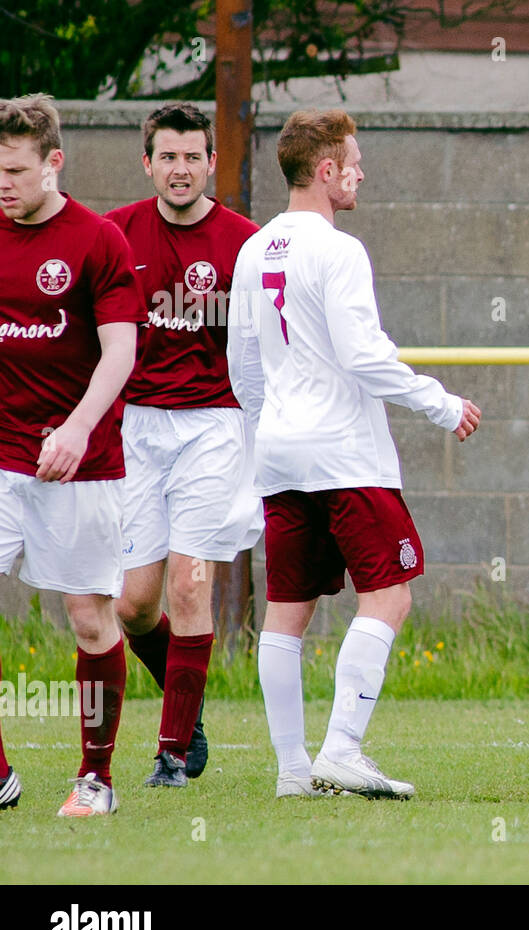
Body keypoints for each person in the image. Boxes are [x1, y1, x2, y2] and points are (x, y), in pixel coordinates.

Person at [228, 109, 481, 798]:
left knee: (286, 610)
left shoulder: (252, 249)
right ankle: (340, 749)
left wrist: (266, 435)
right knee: (390, 597)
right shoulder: (339, 250)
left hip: (280, 455)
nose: (362, 172)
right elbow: (366, 358)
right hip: (343, 456)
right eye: (353, 161)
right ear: (326, 169)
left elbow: (242, 364)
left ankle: (290, 774)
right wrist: (442, 404)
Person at [106, 103, 262, 788]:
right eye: (167, 156)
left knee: (193, 580)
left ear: (211, 163)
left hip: (214, 425)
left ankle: (171, 755)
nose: (180, 168)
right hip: (137, 427)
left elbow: (266, 345)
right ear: (148, 163)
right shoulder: (115, 235)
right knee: (133, 605)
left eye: (192, 156)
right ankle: (187, 706)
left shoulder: (245, 245)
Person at [0, 93, 143, 815]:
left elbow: (121, 348)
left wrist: (80, 426)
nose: (4, 183)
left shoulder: (97, 241)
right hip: (0, 457)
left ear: (54, 162)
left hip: (78, 462)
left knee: (89, 615)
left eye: (17, 170)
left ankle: (96, 778)